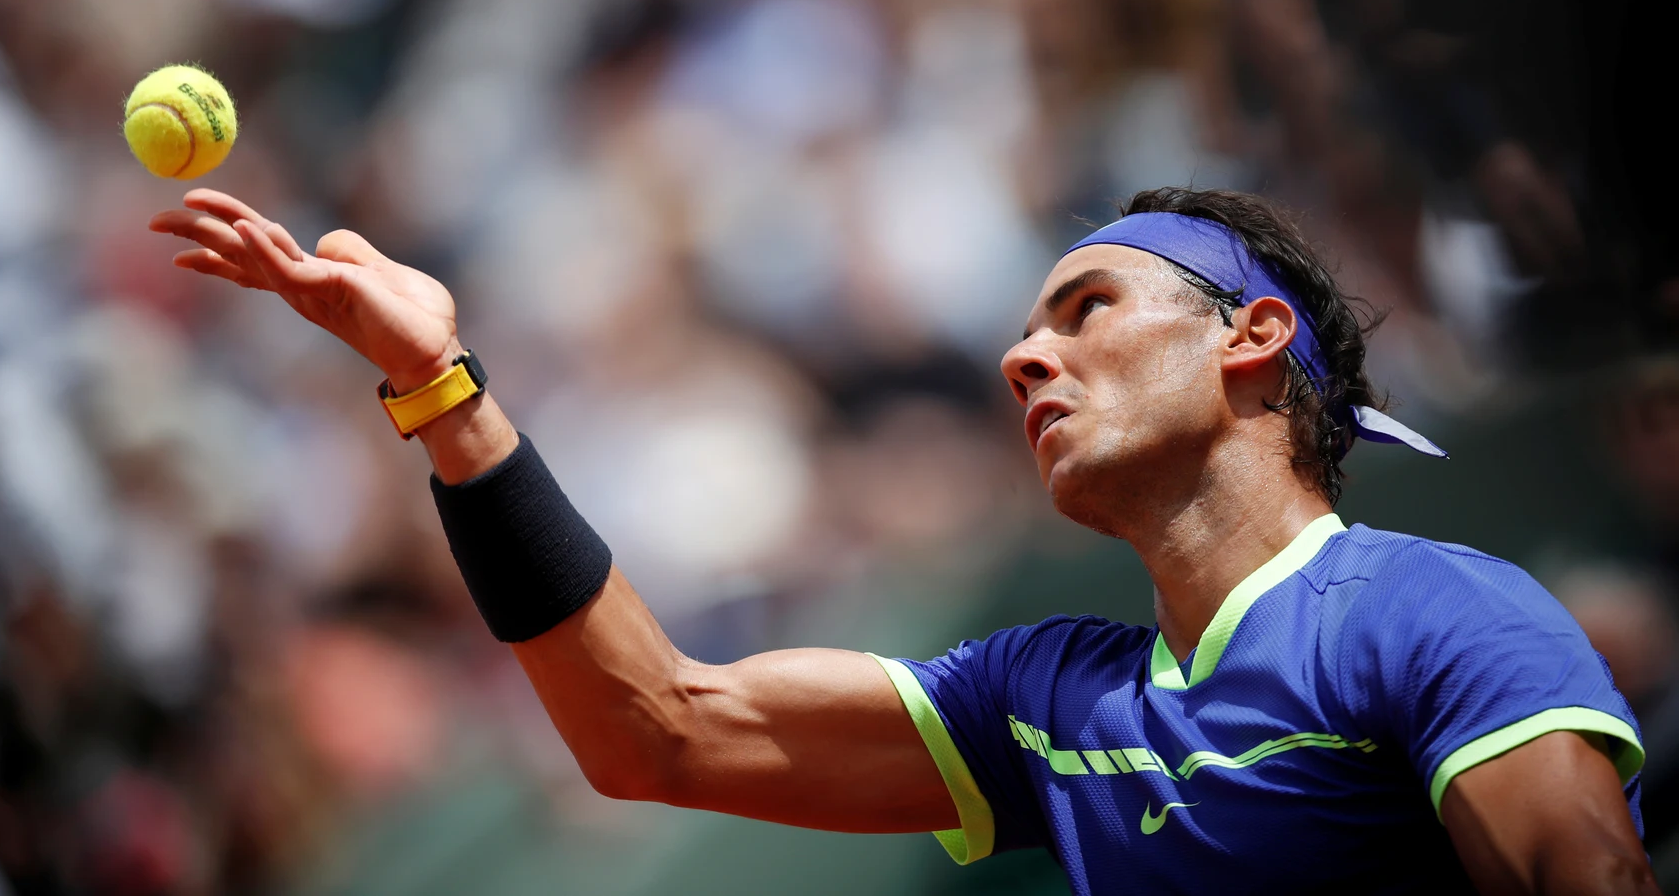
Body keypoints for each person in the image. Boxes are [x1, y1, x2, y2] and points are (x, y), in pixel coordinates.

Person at [150, 186, 1652, 894]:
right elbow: (655, 730)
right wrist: (440, 393)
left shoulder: (1439, 614)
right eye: (1018, 333)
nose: (1023, 362)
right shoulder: (1050, 700)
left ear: (1251, 342)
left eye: (1084, 313)